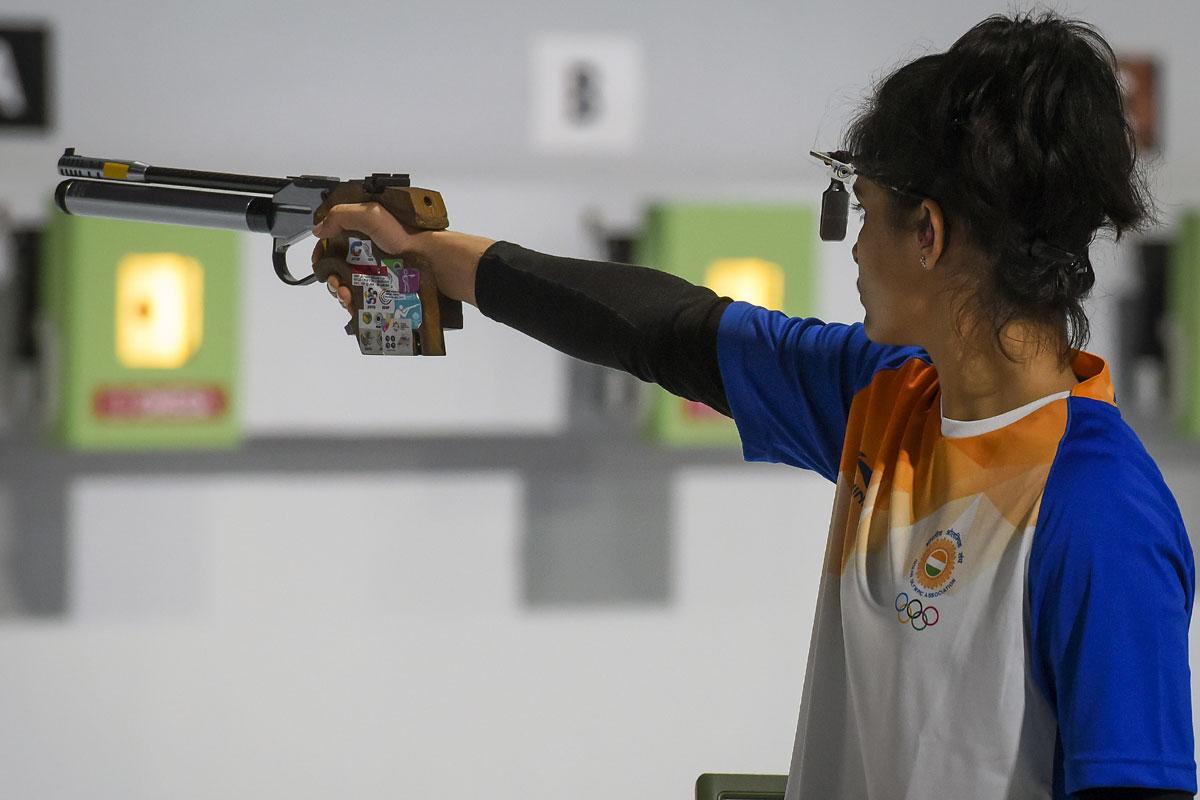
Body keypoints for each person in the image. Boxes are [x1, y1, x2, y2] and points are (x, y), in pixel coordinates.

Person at [311, 12, 1195, 800]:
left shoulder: (1097, 510)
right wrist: (424, 254)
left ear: (928, 234)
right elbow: (664, 329)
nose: (853, 247)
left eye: (866, 213)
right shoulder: (885, 398)